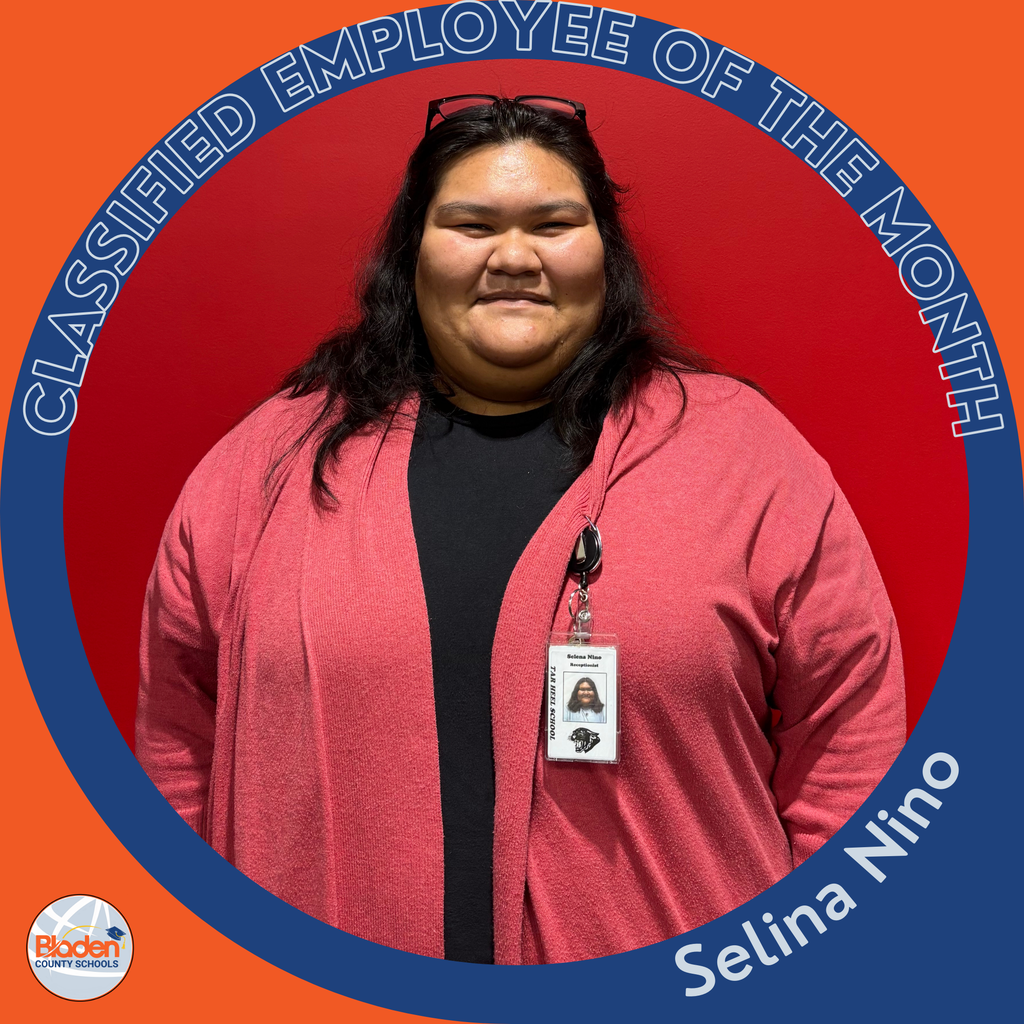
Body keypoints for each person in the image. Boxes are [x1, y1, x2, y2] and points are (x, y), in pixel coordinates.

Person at [136, 95, 905, 967]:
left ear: (604, 252)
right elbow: (177, 742)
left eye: (552, 222)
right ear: (412, 253)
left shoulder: (747, 459)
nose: (512, 257)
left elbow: (852, 745)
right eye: (470, 224)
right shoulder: (263, 467)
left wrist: (804, 967)